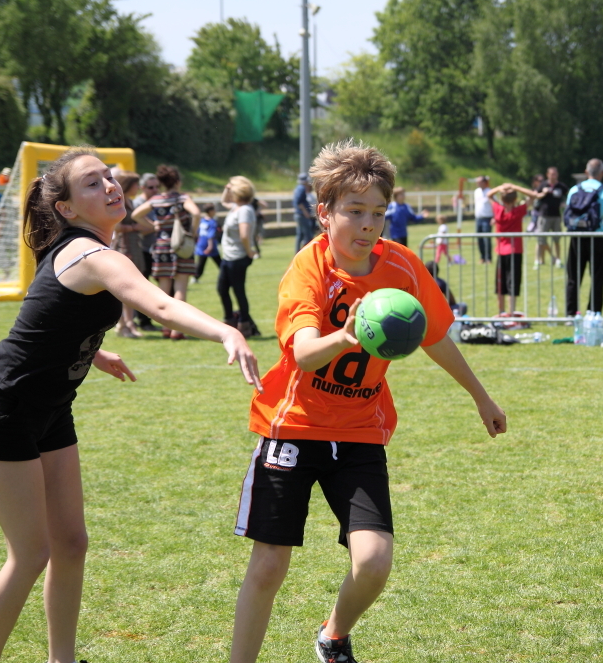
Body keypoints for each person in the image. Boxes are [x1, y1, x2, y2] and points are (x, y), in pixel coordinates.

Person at [0, 148, 262, 663]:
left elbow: (49, 318)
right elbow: (159, 303)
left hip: (51, 408)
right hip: (5, 408)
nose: (110, 186)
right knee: (31, 554)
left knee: (71, 544)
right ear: (67, 208)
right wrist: (225, 331)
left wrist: (93, 352)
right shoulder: (94, 254)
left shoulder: (82, 248)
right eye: (93, 183)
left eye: (109, 177)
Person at [232, 140, 506, 663]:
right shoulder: (309, 268)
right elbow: (304, 352)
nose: (367, 225)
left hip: (359, 431)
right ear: (324, 213)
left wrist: (481, 397)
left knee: (374, 561)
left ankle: (332, 636)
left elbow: (435, 337)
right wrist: (345, 336)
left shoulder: (401, 267)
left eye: (378, 213)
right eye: (354, 211)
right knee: (268, 566)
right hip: (293, 428)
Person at [131, 164, 201, 339]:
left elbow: (135, 215)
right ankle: (177, 330)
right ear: (177, 182)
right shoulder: (183, 198)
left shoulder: (156, 200)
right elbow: (196, 213)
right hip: (181, 246)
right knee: (180, 289)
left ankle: (165, 328)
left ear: (161, 183)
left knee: (163, 291)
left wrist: (153, 225)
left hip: (161, 246)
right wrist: (192, 232)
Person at [565, 158, 603, 316]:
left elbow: (568, 213)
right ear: (602, 173)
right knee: (597, 276)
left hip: (577, 236)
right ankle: (593, 311)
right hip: (597, 236)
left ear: (586, 172)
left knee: (573, 276)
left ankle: (571, 312)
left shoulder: (574, 189)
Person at [111, 171, 153, 338]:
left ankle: (127, 323)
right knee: (124, 287)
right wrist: (136, 227)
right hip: (125, 246)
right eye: (136, 184)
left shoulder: (129, 201)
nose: (138, 187)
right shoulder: (119, 201)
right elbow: (117, 226)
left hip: (134, 245)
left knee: (129, 287)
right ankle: (124, 324)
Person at [219, 176, 260, 338]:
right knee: (222, 289)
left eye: (232, 190)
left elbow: (244, 235)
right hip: (228, 257)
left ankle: (245, 325)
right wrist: (227, 188)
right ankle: (230, 321)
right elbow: (223, 201)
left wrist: (249, 251)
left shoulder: (245, 210)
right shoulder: (236, 207)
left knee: (238, 291)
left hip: (238, 257)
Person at [487, 182, 537, 315]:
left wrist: (500, 187)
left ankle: (501, 311)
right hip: (515, 250)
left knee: (500, 282)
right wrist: (515, 187)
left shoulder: (498, 210)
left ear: (502, 199)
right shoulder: (518, 211)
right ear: (515, 199)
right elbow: (533, 196)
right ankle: (511, 311)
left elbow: (489, 195)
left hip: (501, 250)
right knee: (513, 282)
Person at [131, 173, 160, 332]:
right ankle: (143, 321)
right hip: (143, 250)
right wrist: (157, 226)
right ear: (142, 188)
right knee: (143, 288)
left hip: (157, 249)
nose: (155, 190)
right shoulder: (138, 203)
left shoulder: (158, 201)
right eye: (151, 187)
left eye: (157, 187)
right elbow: (138, 229)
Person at [533, 166, 568, 269]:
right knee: (541, 239)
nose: (553, 176)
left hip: (556, 216)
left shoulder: (561, 186)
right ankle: (537, 260)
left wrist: (564, 203)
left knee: (557, 240)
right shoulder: (543, 185)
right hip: (544, 216)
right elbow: (535, 195)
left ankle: (558, 260)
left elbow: (569, 195)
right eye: (552, 174)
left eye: (555, 174)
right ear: (547, 175)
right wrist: (543, 193)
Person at [194, 203, 222, 281]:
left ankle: (195, 277)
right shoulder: (212, 222)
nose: (215, 211)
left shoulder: (202, 220)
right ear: (210, 211)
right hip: (210, 246)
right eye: (214, 210)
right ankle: (227, 276)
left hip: (201, 245)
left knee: (201, 263)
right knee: (220, 263)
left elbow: (197, 232)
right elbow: (210, 235)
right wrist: (210, 246)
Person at [473, 175, 494, 264]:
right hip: (478, 218)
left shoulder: (490, 192)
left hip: (487, 218)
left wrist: (494, 217)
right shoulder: (476, 191)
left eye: (479, 182)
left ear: (484, 182)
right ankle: (482, 257)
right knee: (480, 239)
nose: (477, 183)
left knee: (486, 239)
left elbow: (494, 205)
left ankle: (488, 258)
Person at [294, 172, 315, 252]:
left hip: (298, 214)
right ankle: (307, 253)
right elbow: (299, 202)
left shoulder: (297, 188)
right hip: (302, 215)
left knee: (300, 235)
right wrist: (305, 212)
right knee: (308, 235)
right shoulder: (302, 189)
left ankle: (297, 252)